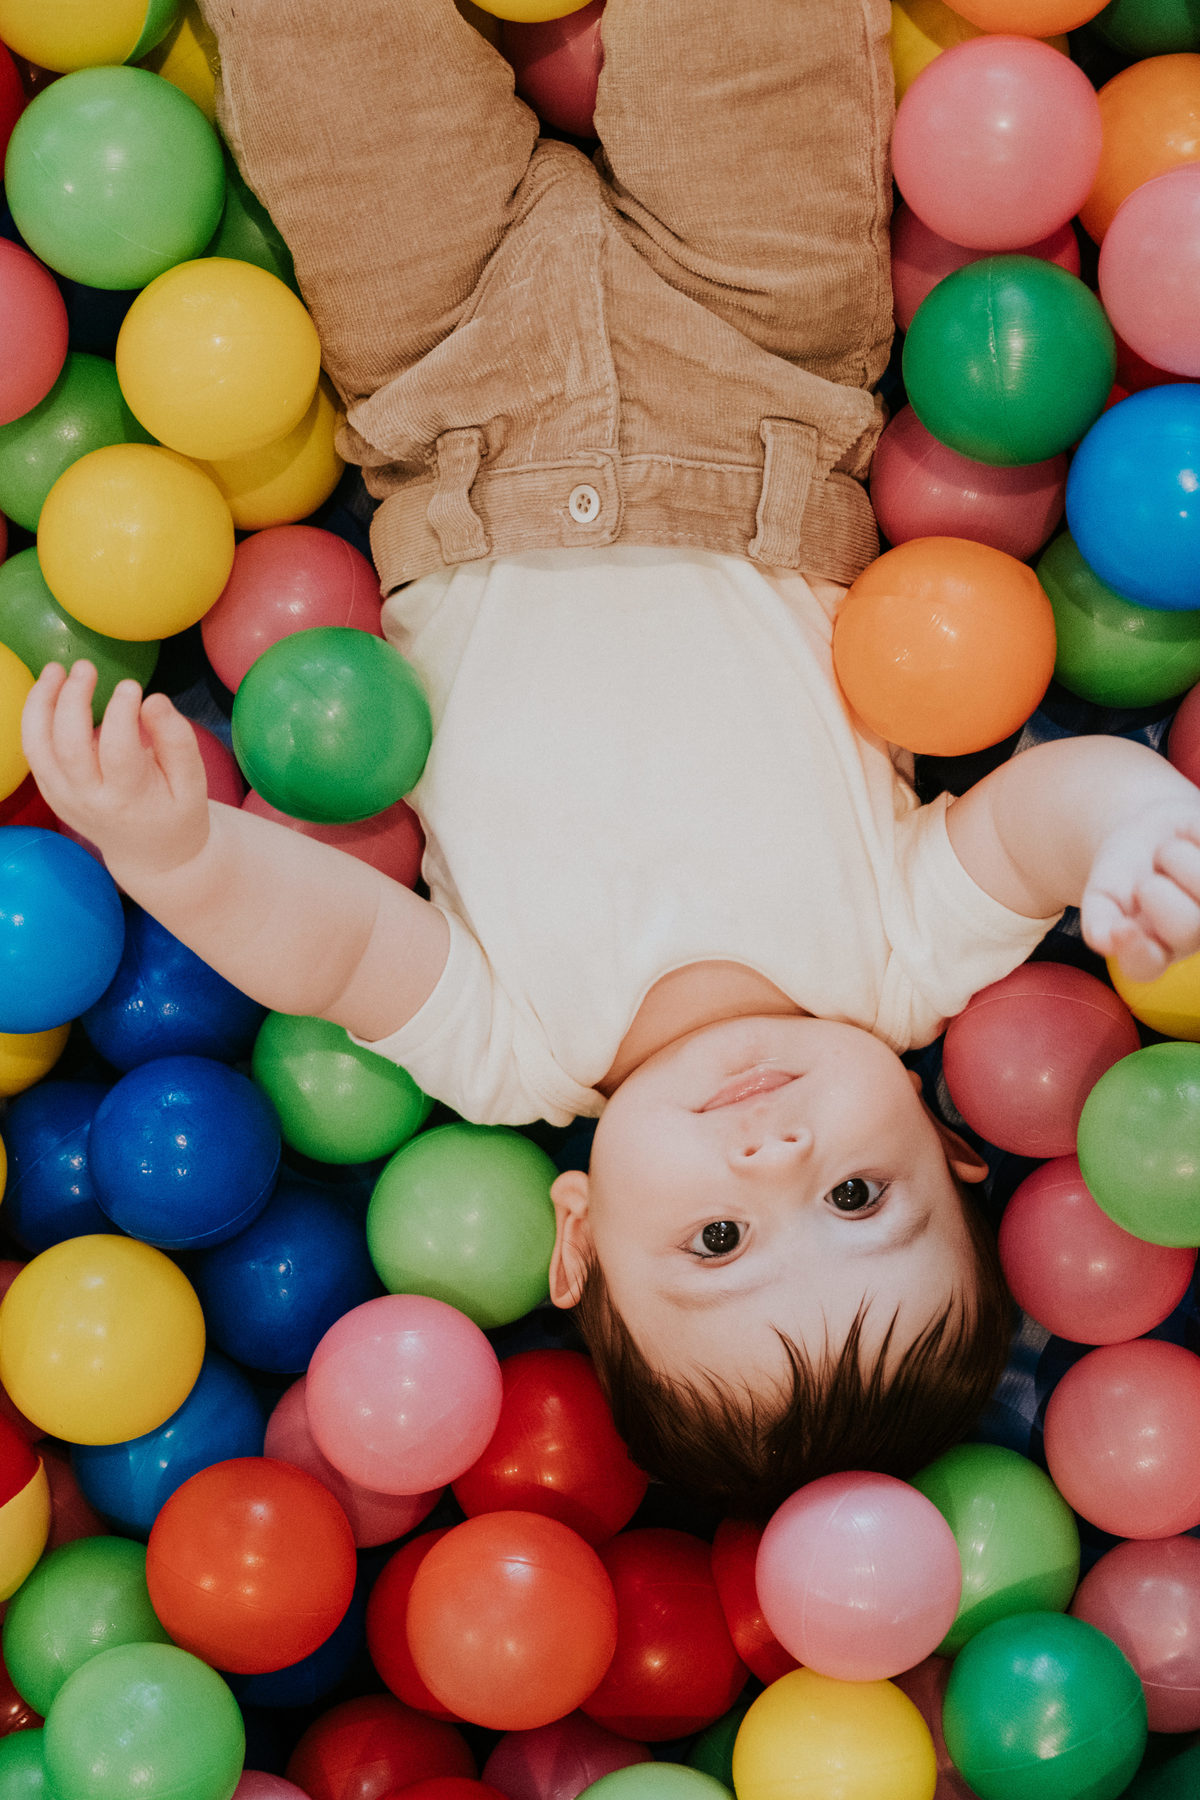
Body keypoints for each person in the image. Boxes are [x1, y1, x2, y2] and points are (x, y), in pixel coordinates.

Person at [22, 0, 1200, 1517]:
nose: (771, 1157)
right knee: (746, 45)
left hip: (443, 387)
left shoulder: (512, 1052)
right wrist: (1136, 825)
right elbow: (1038, 822)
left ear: (576, 1240)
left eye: (715, 1245)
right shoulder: (903, 963)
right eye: (856, 1195)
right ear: (952, 1152)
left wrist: (175, 854)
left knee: (333, 62)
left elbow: (330, 947)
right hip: (762, 353)